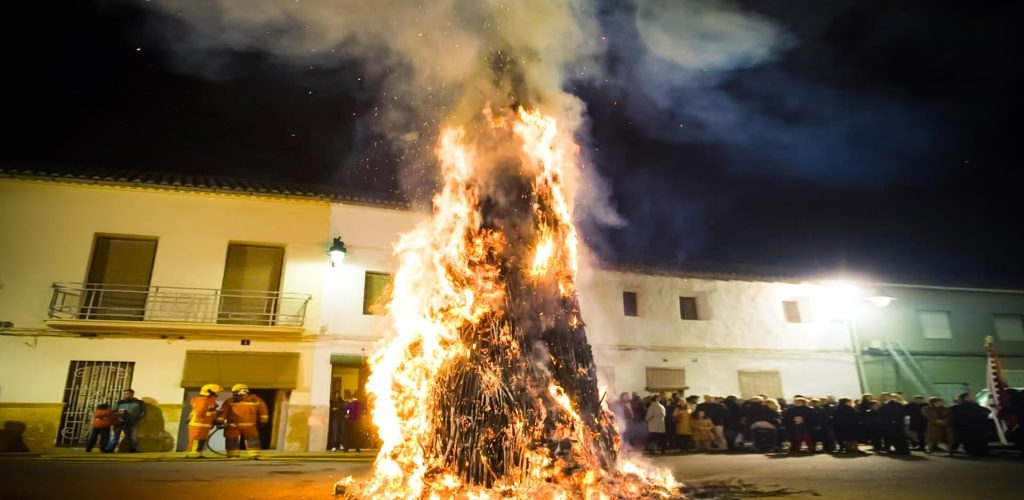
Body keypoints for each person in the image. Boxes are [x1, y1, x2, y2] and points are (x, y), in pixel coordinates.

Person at [219, 384, 269, 459]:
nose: (235, 395)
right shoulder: (229, 401)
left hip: (249, 425)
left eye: (236, 393)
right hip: (233, 425)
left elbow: (263, 410)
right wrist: (220, 420)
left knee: (252, 439)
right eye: (234, 393)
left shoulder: (255, 400)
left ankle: (254, 455)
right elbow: (224, 411)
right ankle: (232, 455)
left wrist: (263, 420)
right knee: (231, 439)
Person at [185, 383, 223, 458]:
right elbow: (200, 413)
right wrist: (214, 413)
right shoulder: (202, 401)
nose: (218, 393)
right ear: (210, 392)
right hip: (197, 424)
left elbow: (208, 411)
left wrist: (215, 413)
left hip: (204, 424)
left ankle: (198, 453)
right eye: (217, 392)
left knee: (202, 439)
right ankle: (192, 454)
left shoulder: (210, 401)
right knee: (196, 439)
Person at [950, 392, 990, 457]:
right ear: (966, 398)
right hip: (972, 426)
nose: (973, 397)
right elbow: (986, 411)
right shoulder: (972, 406)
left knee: (970, 440)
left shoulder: (957, 407)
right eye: (970, 396)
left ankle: (972, 451)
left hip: (967, 427)